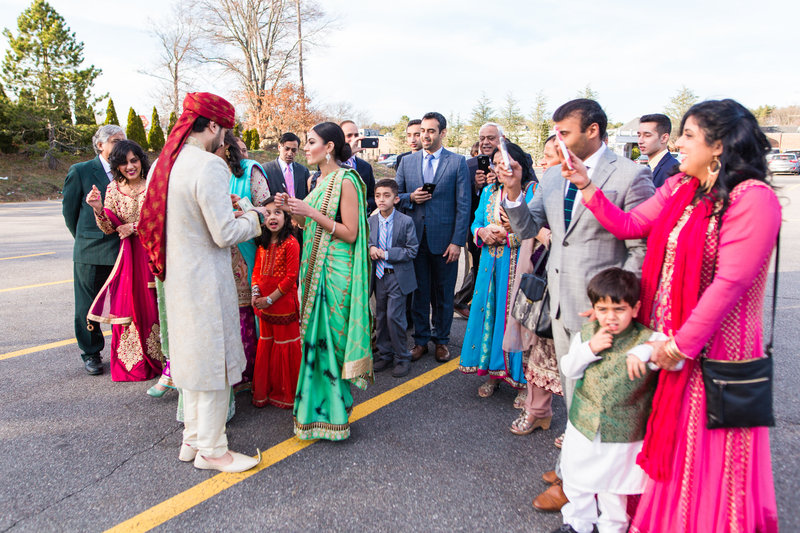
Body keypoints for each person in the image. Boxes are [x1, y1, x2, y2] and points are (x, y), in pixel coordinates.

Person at [569, 99, 779, 532]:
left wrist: (679, 346)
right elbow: (629, 225)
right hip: (663, 341)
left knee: (704, 451)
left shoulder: (752, 200)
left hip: (714, 350)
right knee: (668, 441)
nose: (678, 143)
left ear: (718, 145)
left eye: (688, 134)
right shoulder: (682, 187)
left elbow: (729, 285)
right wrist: (587, 186)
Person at [502, 98, 655, 512]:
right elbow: (529, 228)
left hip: (604, 315)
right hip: (559, 305)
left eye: (564, 133)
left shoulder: (631, 175)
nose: (558, 141)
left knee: (598, 403)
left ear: (593, 130)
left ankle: (577, 486)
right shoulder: (552, 176)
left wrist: (616, 310)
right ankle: (573, 468)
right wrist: (514, 191)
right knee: (574, 394)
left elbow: (640, 247)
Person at [138, 92, 265, 473]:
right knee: (212, 363)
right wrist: (253, 215)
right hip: (206, 281)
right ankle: (213, 450)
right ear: (211, 125)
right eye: (224, 129)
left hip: (175, 278)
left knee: (190, 360)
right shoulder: (209, 166)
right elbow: (224, 233)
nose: (225, 137)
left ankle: (192, 438)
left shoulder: (164, 163)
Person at [275, 121, 372, 441]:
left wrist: (310, 212)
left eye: (311, 142)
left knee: (328, 343)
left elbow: (351, 233)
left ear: (329, 147)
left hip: (335, 274)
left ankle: (333, 415)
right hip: (315, 270)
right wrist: (293, 208)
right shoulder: (318, 180)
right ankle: (316, 414)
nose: (305, 147)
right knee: (316, 344)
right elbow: (307, 225)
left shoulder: (347, 180)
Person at [556, 268, 667, 533]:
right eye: (603, 310)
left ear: (636, 308)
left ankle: (612, 528)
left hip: (623, 431)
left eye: (619, 309)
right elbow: (569, 369)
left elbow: (676, 360)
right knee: (576, 480)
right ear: (593, 308)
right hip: (584, 424)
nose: (611, 317)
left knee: (614, 489)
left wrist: (646, 351)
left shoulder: (649, 338)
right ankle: (577, 523)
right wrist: (590, 349)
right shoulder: (586, 335)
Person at [459, 142, 535, 404]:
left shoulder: (532, 191)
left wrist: (507, 236)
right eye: (498, 164)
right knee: (490, 315)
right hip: (490, 264)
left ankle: (523, 382)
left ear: (521, 164)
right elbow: (477, 222)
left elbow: (535, 230)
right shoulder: (490, 191)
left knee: (516, 319)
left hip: (519, 265)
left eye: (509, 163)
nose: (503, 168)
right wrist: (483, 232)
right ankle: (493, 373)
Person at [85, 139, 164, 382]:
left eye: (134, 160)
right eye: (124, 163)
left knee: (154, 303)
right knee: (128, 305)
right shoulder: (112, 190)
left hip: (153, 253)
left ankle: (163, 361)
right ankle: (133, 364)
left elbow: (163, 218)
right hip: (128, 258)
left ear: (141, 161)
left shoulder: (153, 186)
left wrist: (134, 226)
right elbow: (109, 228)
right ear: (116, 166)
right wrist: (98, 209)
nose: (130, 166)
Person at [396, 111, 470, 363]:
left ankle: (441, 341)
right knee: (419, 294)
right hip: (414, 241)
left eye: (430, 131)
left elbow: (464, 205)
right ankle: (420, 341)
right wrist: (410, 198)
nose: (425, 136)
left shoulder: (458, 162)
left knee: (443, 293)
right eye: (422, 131)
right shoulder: (407, 162)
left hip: (445, 241)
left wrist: (457, 242)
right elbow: (395, 197)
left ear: (442, 133)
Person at [505, 135, 561, 434]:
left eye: (549, 155)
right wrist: (513, 190)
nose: (542, 161)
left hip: (579, 284)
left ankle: (580, 426)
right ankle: (537, 410)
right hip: (542, 272)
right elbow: (525, 223)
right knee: (538, 345)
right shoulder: (547, 183)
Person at [62, 124, 125, 375]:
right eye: (115, 140)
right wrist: (83, 238)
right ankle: (91, 352)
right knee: (88, 306)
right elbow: (70, 213)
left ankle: (126, 351)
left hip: (124, 247)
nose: (120, 145)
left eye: (123, 140)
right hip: (91, 249)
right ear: (100, 145)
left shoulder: (129, 169)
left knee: (124, 303)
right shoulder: (80, 171)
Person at [219, 131, 271, 386]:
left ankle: (253, 372)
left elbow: (268, 214)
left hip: (245, 252)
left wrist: (241, 208)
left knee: (246, 313)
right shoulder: (203, 171)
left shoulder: (250, 171)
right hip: (214, 254)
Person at [250, 196, 301, 408]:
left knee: (284, 348)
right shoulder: (263, 244)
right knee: (267, 345)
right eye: (268, 213)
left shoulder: (291, 243)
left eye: (277, 212)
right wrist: (255, 294)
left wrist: (269, 299)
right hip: (264, 306)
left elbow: (291, 278)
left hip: (282, 306)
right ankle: (266, 393)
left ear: (286, 217)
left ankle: (285, 394)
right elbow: (256, 271)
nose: (272, 217)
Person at [369, 178, 419, 378]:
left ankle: (402, 357)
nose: (381, 200)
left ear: (396, 199)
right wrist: (371, 247)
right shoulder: (370, 221)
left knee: (394, 318)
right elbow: (366, 243)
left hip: (396, 276)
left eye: (387, 196)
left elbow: (412, 250)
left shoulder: (405, 221)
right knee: (380, 317)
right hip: (379, 277)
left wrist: (387, 254)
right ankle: (384, 353)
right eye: (378, 196)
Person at [454, 122, 504, 319]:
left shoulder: (517, 160)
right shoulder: (470, 165)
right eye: (482, 138)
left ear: (502, 139)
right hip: (479, 232)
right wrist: (477, 186)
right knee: (479, 271)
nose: (485, 142)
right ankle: (482, 312)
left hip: (509, 233)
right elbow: (462, 200)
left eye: (490, 138)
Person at [340, 120, 377, 213]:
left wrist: (366, 204)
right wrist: (347, 154)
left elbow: (373, 197)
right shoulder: (331, 163)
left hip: (360, 219)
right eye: (349, 136)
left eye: (356, 135)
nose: (354, 139)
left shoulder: (366, 166)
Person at [264, 132, 310, 200]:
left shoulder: (303, 171)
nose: (290, 153)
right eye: (287, 149)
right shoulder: (266, 170)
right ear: (279, 147)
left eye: (293, 150)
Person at [637, 113, 679, 188]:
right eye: (639, 135)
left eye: (647, 135)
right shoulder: (647, 169)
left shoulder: (674, 171)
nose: (640, 141)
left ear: (664, 138)